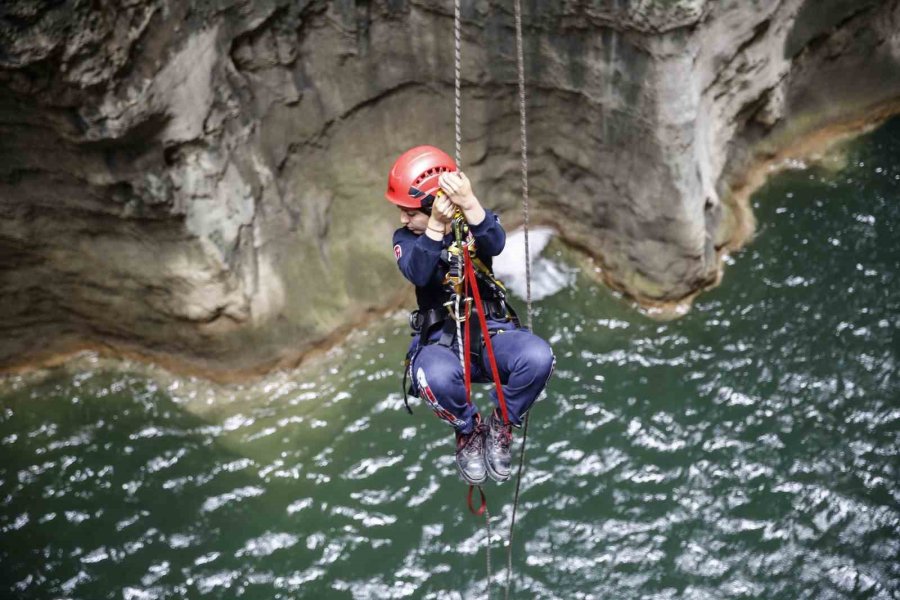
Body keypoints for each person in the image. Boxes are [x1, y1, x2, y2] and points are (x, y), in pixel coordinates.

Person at [386, 145, 555, 485]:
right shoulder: (407, 239)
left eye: (410, 212)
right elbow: (418, 272)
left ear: (435, 203)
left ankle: (501, 422)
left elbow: (495, 243)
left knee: (539, 358)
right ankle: (468, 430)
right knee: (431, 376)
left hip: (491, 333)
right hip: (441, 342)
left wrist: (468, 202)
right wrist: (435, 226)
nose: (403, 219)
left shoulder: (472, 224)